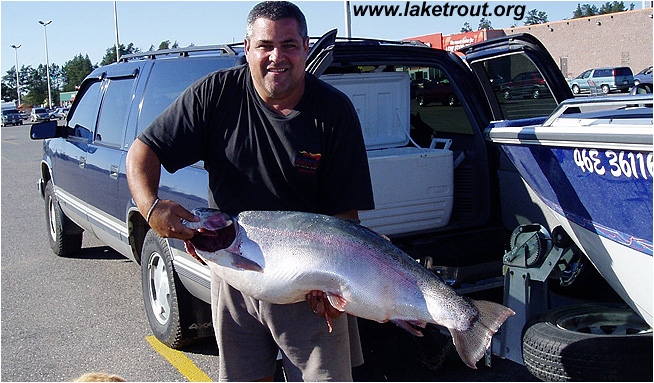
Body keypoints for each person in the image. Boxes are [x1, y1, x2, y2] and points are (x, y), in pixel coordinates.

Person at [125, 1, 375, 381]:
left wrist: (330, 283)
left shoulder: (334, 112)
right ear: (247, 48)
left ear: (306, 47)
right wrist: (151, 208)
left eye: (289, 45)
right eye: (265, 46)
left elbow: (346, 220)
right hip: (233, 274)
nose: (277, 57)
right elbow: (143, 152)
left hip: (308, 287)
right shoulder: (214, 96)